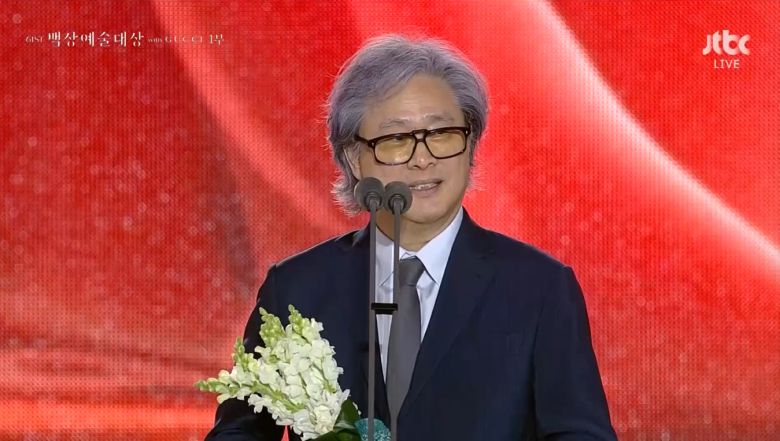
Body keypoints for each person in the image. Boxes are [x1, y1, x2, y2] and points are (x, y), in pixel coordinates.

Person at [205, 34, 616, 441]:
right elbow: (238, 432)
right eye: (397, 139)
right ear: (353, 157)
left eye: (442, 133)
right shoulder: (297, 288)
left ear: (470, 144)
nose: (423, 158)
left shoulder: (539, 288)